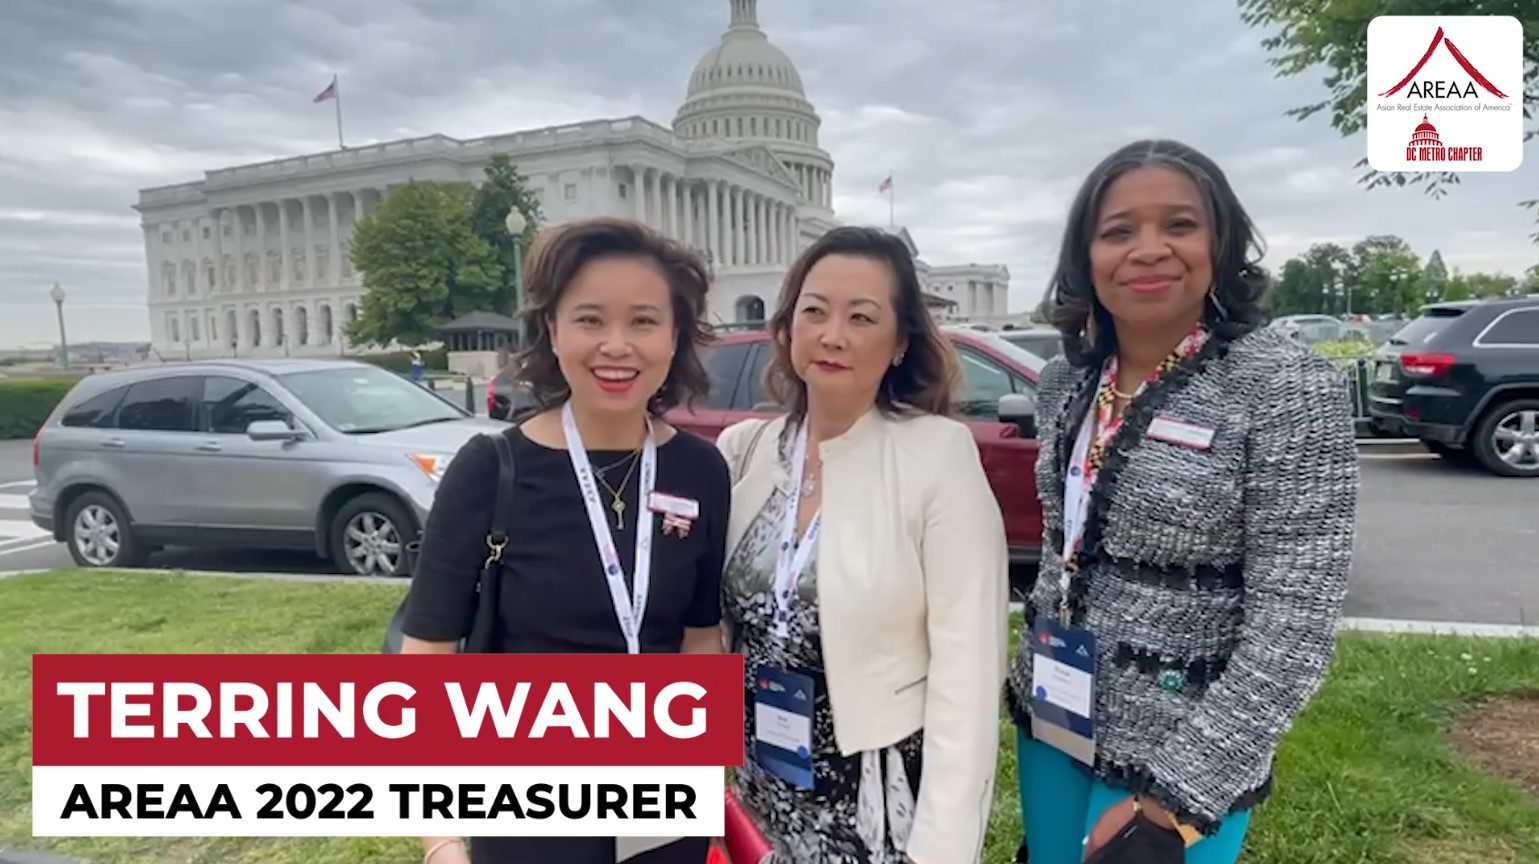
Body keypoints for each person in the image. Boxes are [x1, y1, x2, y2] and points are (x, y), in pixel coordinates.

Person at [1005, 140, 1359, 864]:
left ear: (1219, 242)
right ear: (1086, 255)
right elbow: (1059, 551)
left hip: (1184, 752)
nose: (1147, 250)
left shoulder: (1284, 386)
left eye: (1178, 225)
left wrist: (1176, 799)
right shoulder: (1064, 382)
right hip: (1055, 717)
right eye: (1117, 231)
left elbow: (1294, 625)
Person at [400, 217, 730, 864]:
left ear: (674, 337)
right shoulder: (490, 470)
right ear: (551, 330)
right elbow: (428, 653)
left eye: (642, 321)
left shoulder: (700, 470)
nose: (616, 346)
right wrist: (440, 837)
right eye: (589, 320)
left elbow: (698, 642)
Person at [715, 226, 1009, 864]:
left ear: (900, 342)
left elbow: (969, 679)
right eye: (814, 312)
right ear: (789, 327)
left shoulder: (936, 457)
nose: (833, 335)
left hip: (874, 803)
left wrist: (943, 851)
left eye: (861, 317)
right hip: (762, 786)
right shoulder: (749, 453)